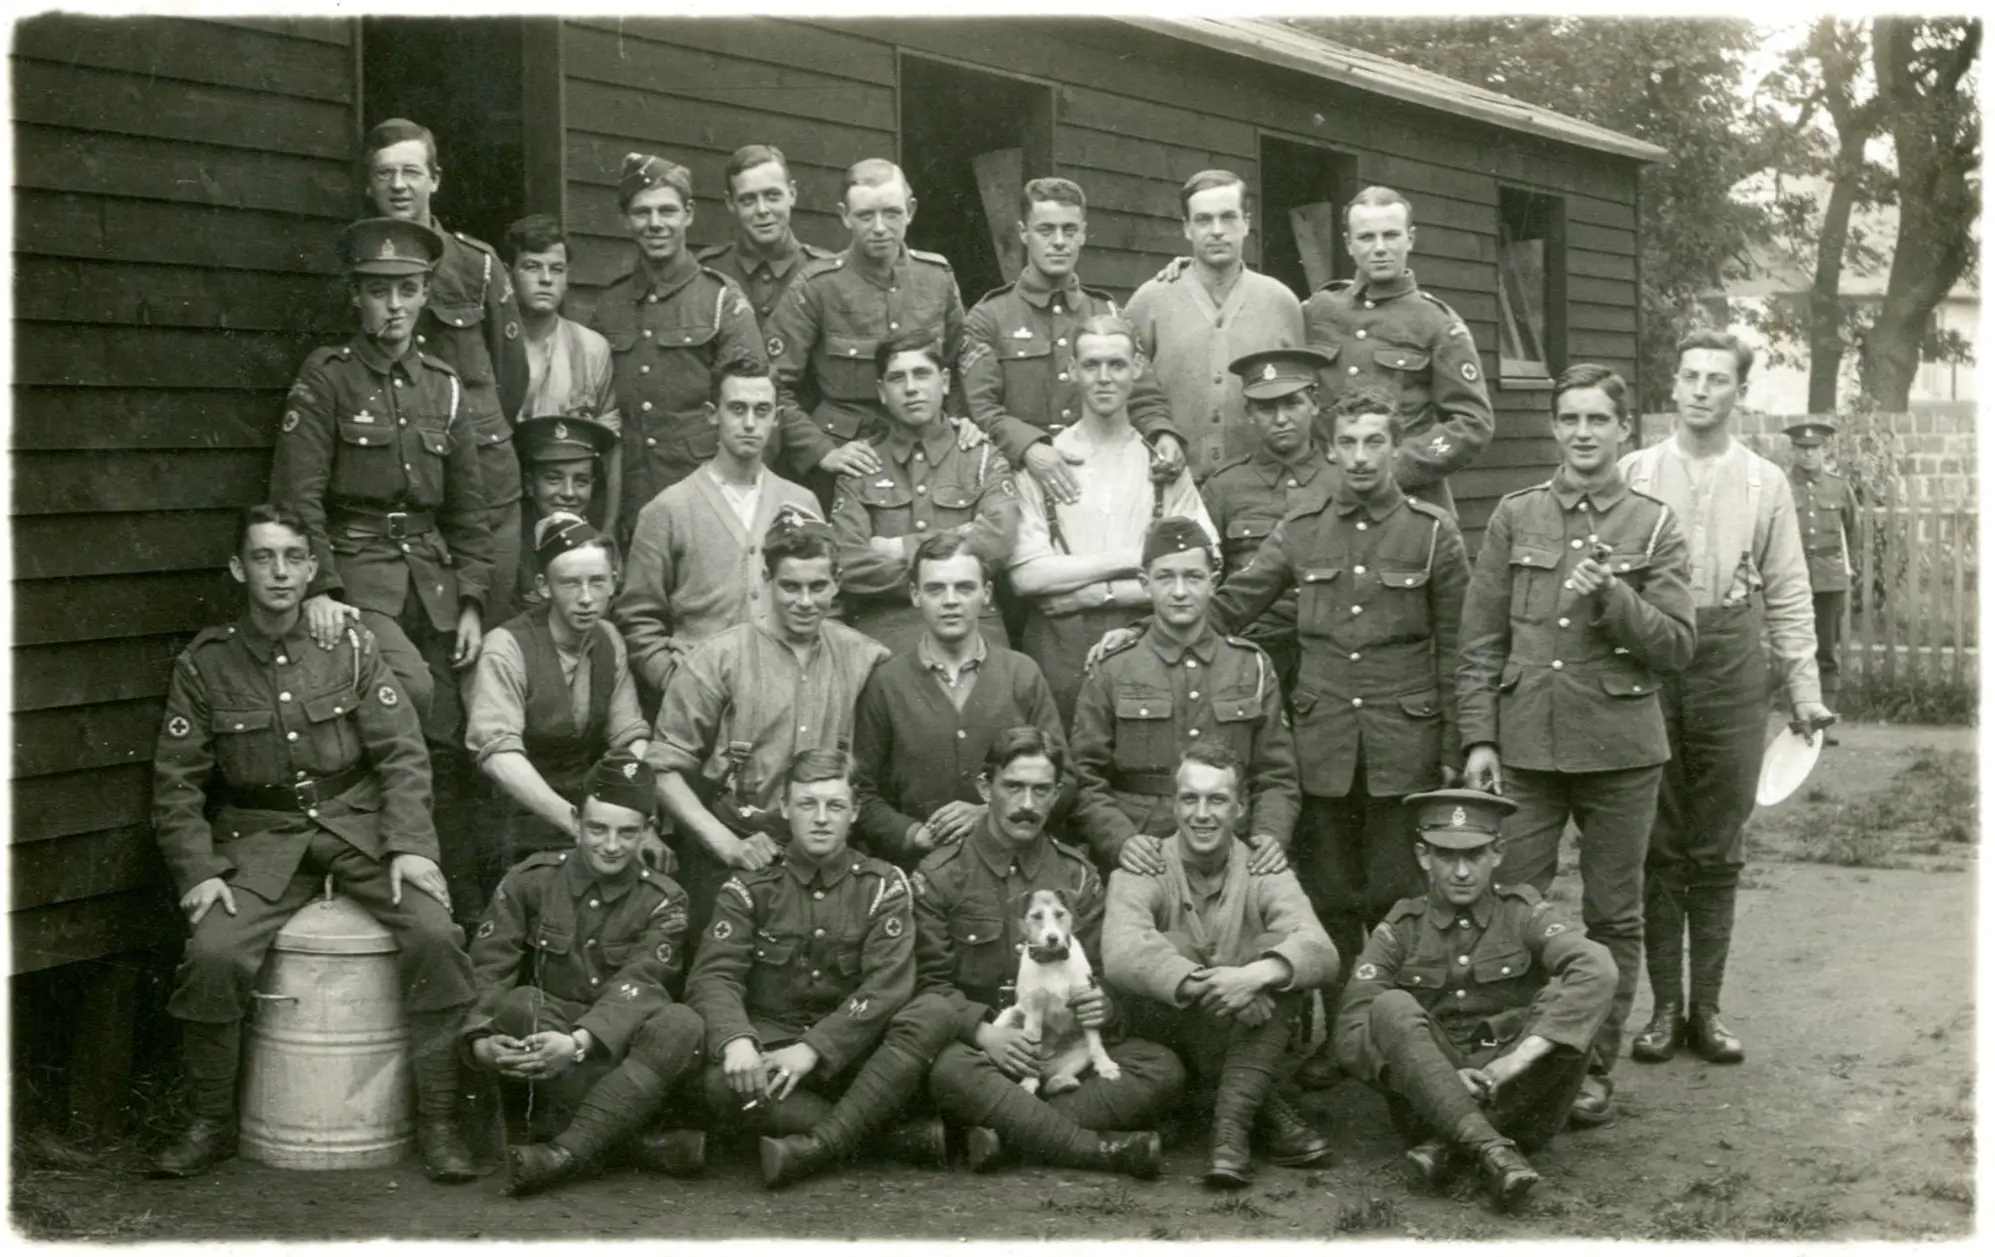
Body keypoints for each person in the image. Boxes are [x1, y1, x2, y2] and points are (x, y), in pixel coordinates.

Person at [148, 505, 480, 1182]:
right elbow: (176, 785)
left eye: (293, 557)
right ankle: (210, 1120)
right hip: (260, 841)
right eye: (264, 557)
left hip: (356, 825)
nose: (279, 571)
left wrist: (411, 846)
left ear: (310, 568)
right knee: (212, 952)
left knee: (434, 933)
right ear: (240, 568)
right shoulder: (205, 664)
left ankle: (439, 1120)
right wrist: (199, 872)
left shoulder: (350, 645)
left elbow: (402, 755)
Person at [1204, 377, 1470, 1084]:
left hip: (1402, 747)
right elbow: (1233, 604)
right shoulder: (1300, 526)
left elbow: (1460, 649)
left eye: (1373, 441)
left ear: (1395, 446)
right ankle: (1333, 1035)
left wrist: (1456, 749)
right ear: (1329, 445)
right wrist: (1148, 635)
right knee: (1326, 897)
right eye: (1346, 442)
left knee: (1392, 897)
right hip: (1320, 747)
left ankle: (1386, 1035)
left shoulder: (1431, 532)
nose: (1358, 457)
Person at [1457, 363, 1697, 1128]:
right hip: (1525, 747)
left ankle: (1591, 1068)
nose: (1583, 432)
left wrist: (1613, 597)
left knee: (1611, 916)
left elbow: (1676, 646)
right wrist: (1478, 739)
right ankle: (1513, 1056)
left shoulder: (1653, 524)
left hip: (1621, 748)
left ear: (1623, 429)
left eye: (1597, 419)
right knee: (1512, 908)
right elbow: (1479, 642)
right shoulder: (1513, 516)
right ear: (1553, 427)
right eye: (1570, 418)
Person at [1619, 332, 1835, 1069]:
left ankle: (1706, 1008)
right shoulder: (1634, 470)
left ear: (1737, 391)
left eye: (1717, 378)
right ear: (1671, 385)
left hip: (1731, 663)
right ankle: (1661, 1008)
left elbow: (1788, 590)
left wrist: (1802, 691)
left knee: (1716, 838)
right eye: (1689, 376)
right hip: (1650, 659)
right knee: (1656, 835)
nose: (1701, 390)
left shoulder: (1762, 482)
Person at [268, 217, 493, 911]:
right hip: (358, 577)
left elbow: (469, 511)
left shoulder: (444, 386)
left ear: (426, 294)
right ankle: (390, 858)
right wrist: (323, 586)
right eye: (377, 291)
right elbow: (296, 497)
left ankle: (445, 900)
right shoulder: (328, 377)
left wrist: (474, 601)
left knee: (459, 740)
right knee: (414, 694)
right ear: (356, 299)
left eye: (406, 289)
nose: (393, 305)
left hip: (434, 586)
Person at [912, 727, 1185, 1177]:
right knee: (945, 1070)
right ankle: (1094, 1150)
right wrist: (984, 1034)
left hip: (1064, 1050)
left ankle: (1006, 1133)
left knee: (1162, 1068)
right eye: (1013, 787)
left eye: (1041, 791)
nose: (1027, 804)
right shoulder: (943, 873)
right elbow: (929, 985)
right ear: (985, 788)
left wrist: (1107, 1005)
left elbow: (1106, 972)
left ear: (1057, 794)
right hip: (987, 1055)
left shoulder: (1077, 877)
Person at [683, 750, 957, 1187]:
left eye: (835, 806)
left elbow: (887, 986)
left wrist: (814, 1049)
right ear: (786, 809)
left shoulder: (882, 884)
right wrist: (737, 1042)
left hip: (857, 1058)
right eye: (808, 804)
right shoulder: (750, 887)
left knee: (934, 1014)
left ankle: (821, 1144)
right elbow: (714, 976)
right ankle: (884, 1136)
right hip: (775, 1055)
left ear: (854, 813)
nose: (821, 818)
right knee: (722, 1083)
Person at [1334, 789, 1617, 1211]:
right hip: (1426, 1109)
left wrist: (1512, 1063)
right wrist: (1432, 1081)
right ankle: (1492, 1151)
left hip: (1527, 1106)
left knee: (1571, 998)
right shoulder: (1400, 928)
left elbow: (1598, 968)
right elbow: (1350, 1032)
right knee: (1388, 1007)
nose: (1462, 871)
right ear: (1423, 855)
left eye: (1475, 855)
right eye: (1446, 856)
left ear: (1498, 853)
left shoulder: (1524, 912)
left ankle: (1449, 1147)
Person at [463, 753, 706, 1197]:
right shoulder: (531, 879)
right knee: (518, 1007)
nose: (611, 845)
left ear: (646, 829)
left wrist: (577, 1044)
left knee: (681, 1023)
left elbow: (643, 982)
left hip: (619, 1051)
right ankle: (630, 1143)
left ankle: (565, 1151)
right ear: (576, 822)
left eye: (627, 832)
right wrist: (479, 1039)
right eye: (598, 829)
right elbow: (489, 966)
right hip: (548, 1039)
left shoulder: (664, 899)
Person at [1102, 742, 1338, 1186]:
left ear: (1241, 808)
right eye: (1190, 798)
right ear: (1174, 805)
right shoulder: (1146, 863)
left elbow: (1322, 951)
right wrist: (1206, 985)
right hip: (1165, 1041)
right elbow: (1120, 952)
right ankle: (1262, 1113)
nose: (1202, 814)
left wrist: (1255, 976)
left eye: (1217, 800)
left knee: (1277, 949)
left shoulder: (1264, 867)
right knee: (1172, 945)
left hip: (1249, 1032)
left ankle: (1229, 1138)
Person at [646, 516, 890, 936]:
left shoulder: (865, 657)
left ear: (837, 582)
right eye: (790, 587)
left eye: (818, 587)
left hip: (828, 852)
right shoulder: (718, 659)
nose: (805, 601)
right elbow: (663, 771)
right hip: (733, 845)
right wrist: (727, 845)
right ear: (765, 581)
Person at [1008, 315, 1215, 722]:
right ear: (1072, 370)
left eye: (1117, 365)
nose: (1104, 378)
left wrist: (1095, 595)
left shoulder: (1163, 463)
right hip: (1059, 651)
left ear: (1137, 368)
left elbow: (1204, 568)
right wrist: (1132, 558)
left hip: (1147, 642)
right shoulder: (1044, 462)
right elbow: (1026, 577)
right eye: (1091, 365)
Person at [360, 118, 528, 620]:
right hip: (402, 490)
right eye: (385, 174)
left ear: (435, 179)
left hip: (484, 483)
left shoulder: (477, 266)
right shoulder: (357, 270)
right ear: (369, 187)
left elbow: (511, 378)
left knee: (489, 627)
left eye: (411, 171)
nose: (398, 186)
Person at [1070, 515, 1299, 876]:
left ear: (1214, 582)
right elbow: (1084, 776)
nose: (1179, 591)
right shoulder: (1113, 668)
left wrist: (1269, 837)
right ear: (1145, 584)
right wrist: (1121, 841)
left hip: (1233, 853)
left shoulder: (1250, 665)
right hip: (1143, 853)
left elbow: (1276, 774)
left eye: (1192, 577)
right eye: (1165, 577)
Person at [588, 152, 798, 543]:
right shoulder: (610, 306)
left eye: (667, 211)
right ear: (624, 220)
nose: (655, 224)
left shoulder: (720, 301)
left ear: (688, 214)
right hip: (631, 507)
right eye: (642, 213)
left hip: (709, 506)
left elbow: (757, 415)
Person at [613, 358, 823, 711]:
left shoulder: (801, 503)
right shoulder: (668, 509)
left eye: (762, 410)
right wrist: (672, 680)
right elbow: (638, 619)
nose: (749, 423)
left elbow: (826, 601)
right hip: (704, 702)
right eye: (737, 409)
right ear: (713, 414)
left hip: (790, 698)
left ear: (777, 417)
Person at [959, 176, 1185, 504]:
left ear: (1082, 234)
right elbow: (980, 410)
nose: (1059, 241)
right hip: (1018, 480)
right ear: (1024, 233)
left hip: (1100, 480)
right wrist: (1031, 448)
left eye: (1069, 229)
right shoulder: (989, 316)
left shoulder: (1106, 311)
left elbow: (1143, 394)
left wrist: (1162, 433)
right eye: (1046, 230)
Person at [851, 536, 1067, 867]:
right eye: (936, 589)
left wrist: (993, 812)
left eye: (964, 588)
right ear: (915, 596)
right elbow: (861, 791)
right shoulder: (886, 683)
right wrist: (912, 834)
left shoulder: (1022, 674)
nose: (950, 601)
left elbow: (1066, 780)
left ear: (987, 594)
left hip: (1011, 868)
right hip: (917, 873)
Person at [765, 158, 967, 504]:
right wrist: (820, 450)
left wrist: (960, 427)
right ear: (845, 215)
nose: (879, 227)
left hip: (928, 459)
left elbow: (960, 366)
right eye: (864, 215)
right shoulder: (817, 286)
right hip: (848, 465)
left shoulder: (937, 277)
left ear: (910, 210)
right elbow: (770, 385)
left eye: (891, 213)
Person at [466, 514, 650, 881]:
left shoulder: (608, 639)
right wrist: (577, 824)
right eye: (570, 584)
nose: (586, 598)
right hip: (517, 821)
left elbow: (630, 736)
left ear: (614, 583)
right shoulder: (506, 647)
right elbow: (498, 754)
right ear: (544, 586)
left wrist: (629, 809)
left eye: (597, 582)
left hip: (593, 815)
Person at [1300, 186, 1492, 516]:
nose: (1379, 248)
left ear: (1410, 238)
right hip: (1326, 501)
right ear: (1348, 243)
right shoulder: (1318, 311)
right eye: (1366, 237)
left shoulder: (1437, 323)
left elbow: (1472, 422)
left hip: (1408, 504)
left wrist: (1395, 464)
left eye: (1391, 235)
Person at [831, 340, 1020, 656]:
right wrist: (953, 552)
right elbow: (847, 562)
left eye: (921, 374)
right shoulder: (861, 465)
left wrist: (897, 547)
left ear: (944, 382)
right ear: (881, 391)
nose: (910, 388)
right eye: (897, 378)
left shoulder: (981, 457)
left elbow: (999, 536)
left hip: (977, 630)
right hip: (886, 631)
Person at [1123, 170, 1304, 479]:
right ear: (1187, 229)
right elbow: (1127, 391)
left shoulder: (1281, 302)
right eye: (1204, 220)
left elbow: (1302, 398)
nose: (1217, 231)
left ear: (1246, 223)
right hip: (1172, 484)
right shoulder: (1150, 300)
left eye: (1228, 217)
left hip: (1260, 490)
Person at [1198, 346, 1337, 689]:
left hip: (1333, 653)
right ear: (1248, 411)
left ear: (1315, 404)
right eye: (1266, 407)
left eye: (1293, 404)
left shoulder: (1346, 481)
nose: (1280, 419)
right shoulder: (1224, 486)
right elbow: (1205, 575)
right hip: (1249, 652)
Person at [505, 213, 623, 531]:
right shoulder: (492, 347)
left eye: (556, 269)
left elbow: (611, 448)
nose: (546, 279)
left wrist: (608, 529)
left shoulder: (591, 349)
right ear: (510, 274)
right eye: (532, 266)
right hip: (504, 511)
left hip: (570, 512)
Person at [695, 144, 839, 328]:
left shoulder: (826, 273)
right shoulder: (709, 272)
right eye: (748, 199)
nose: (762, 210)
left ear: (792, 194)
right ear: (730, 203)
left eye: (772, 196)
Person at [1783, 418, 1855, 740]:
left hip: (1828, 579)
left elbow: (1852, 532)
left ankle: (1825, 722)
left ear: (1823, 450)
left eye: (1814, 449)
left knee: (1826, 649)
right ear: (1794, 451)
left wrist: (1845, 568)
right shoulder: (1782, 487)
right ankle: (1801, 719)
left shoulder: (1838, 487)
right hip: (1792, 578)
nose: (1808, 455)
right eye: (1802, 449)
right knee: (1796, 648)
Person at [510, 414, 618, 611]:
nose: (569, 493)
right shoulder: (512, 547)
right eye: (553, 480)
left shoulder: (600, 546)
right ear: (529, 485)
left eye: (581, 481)